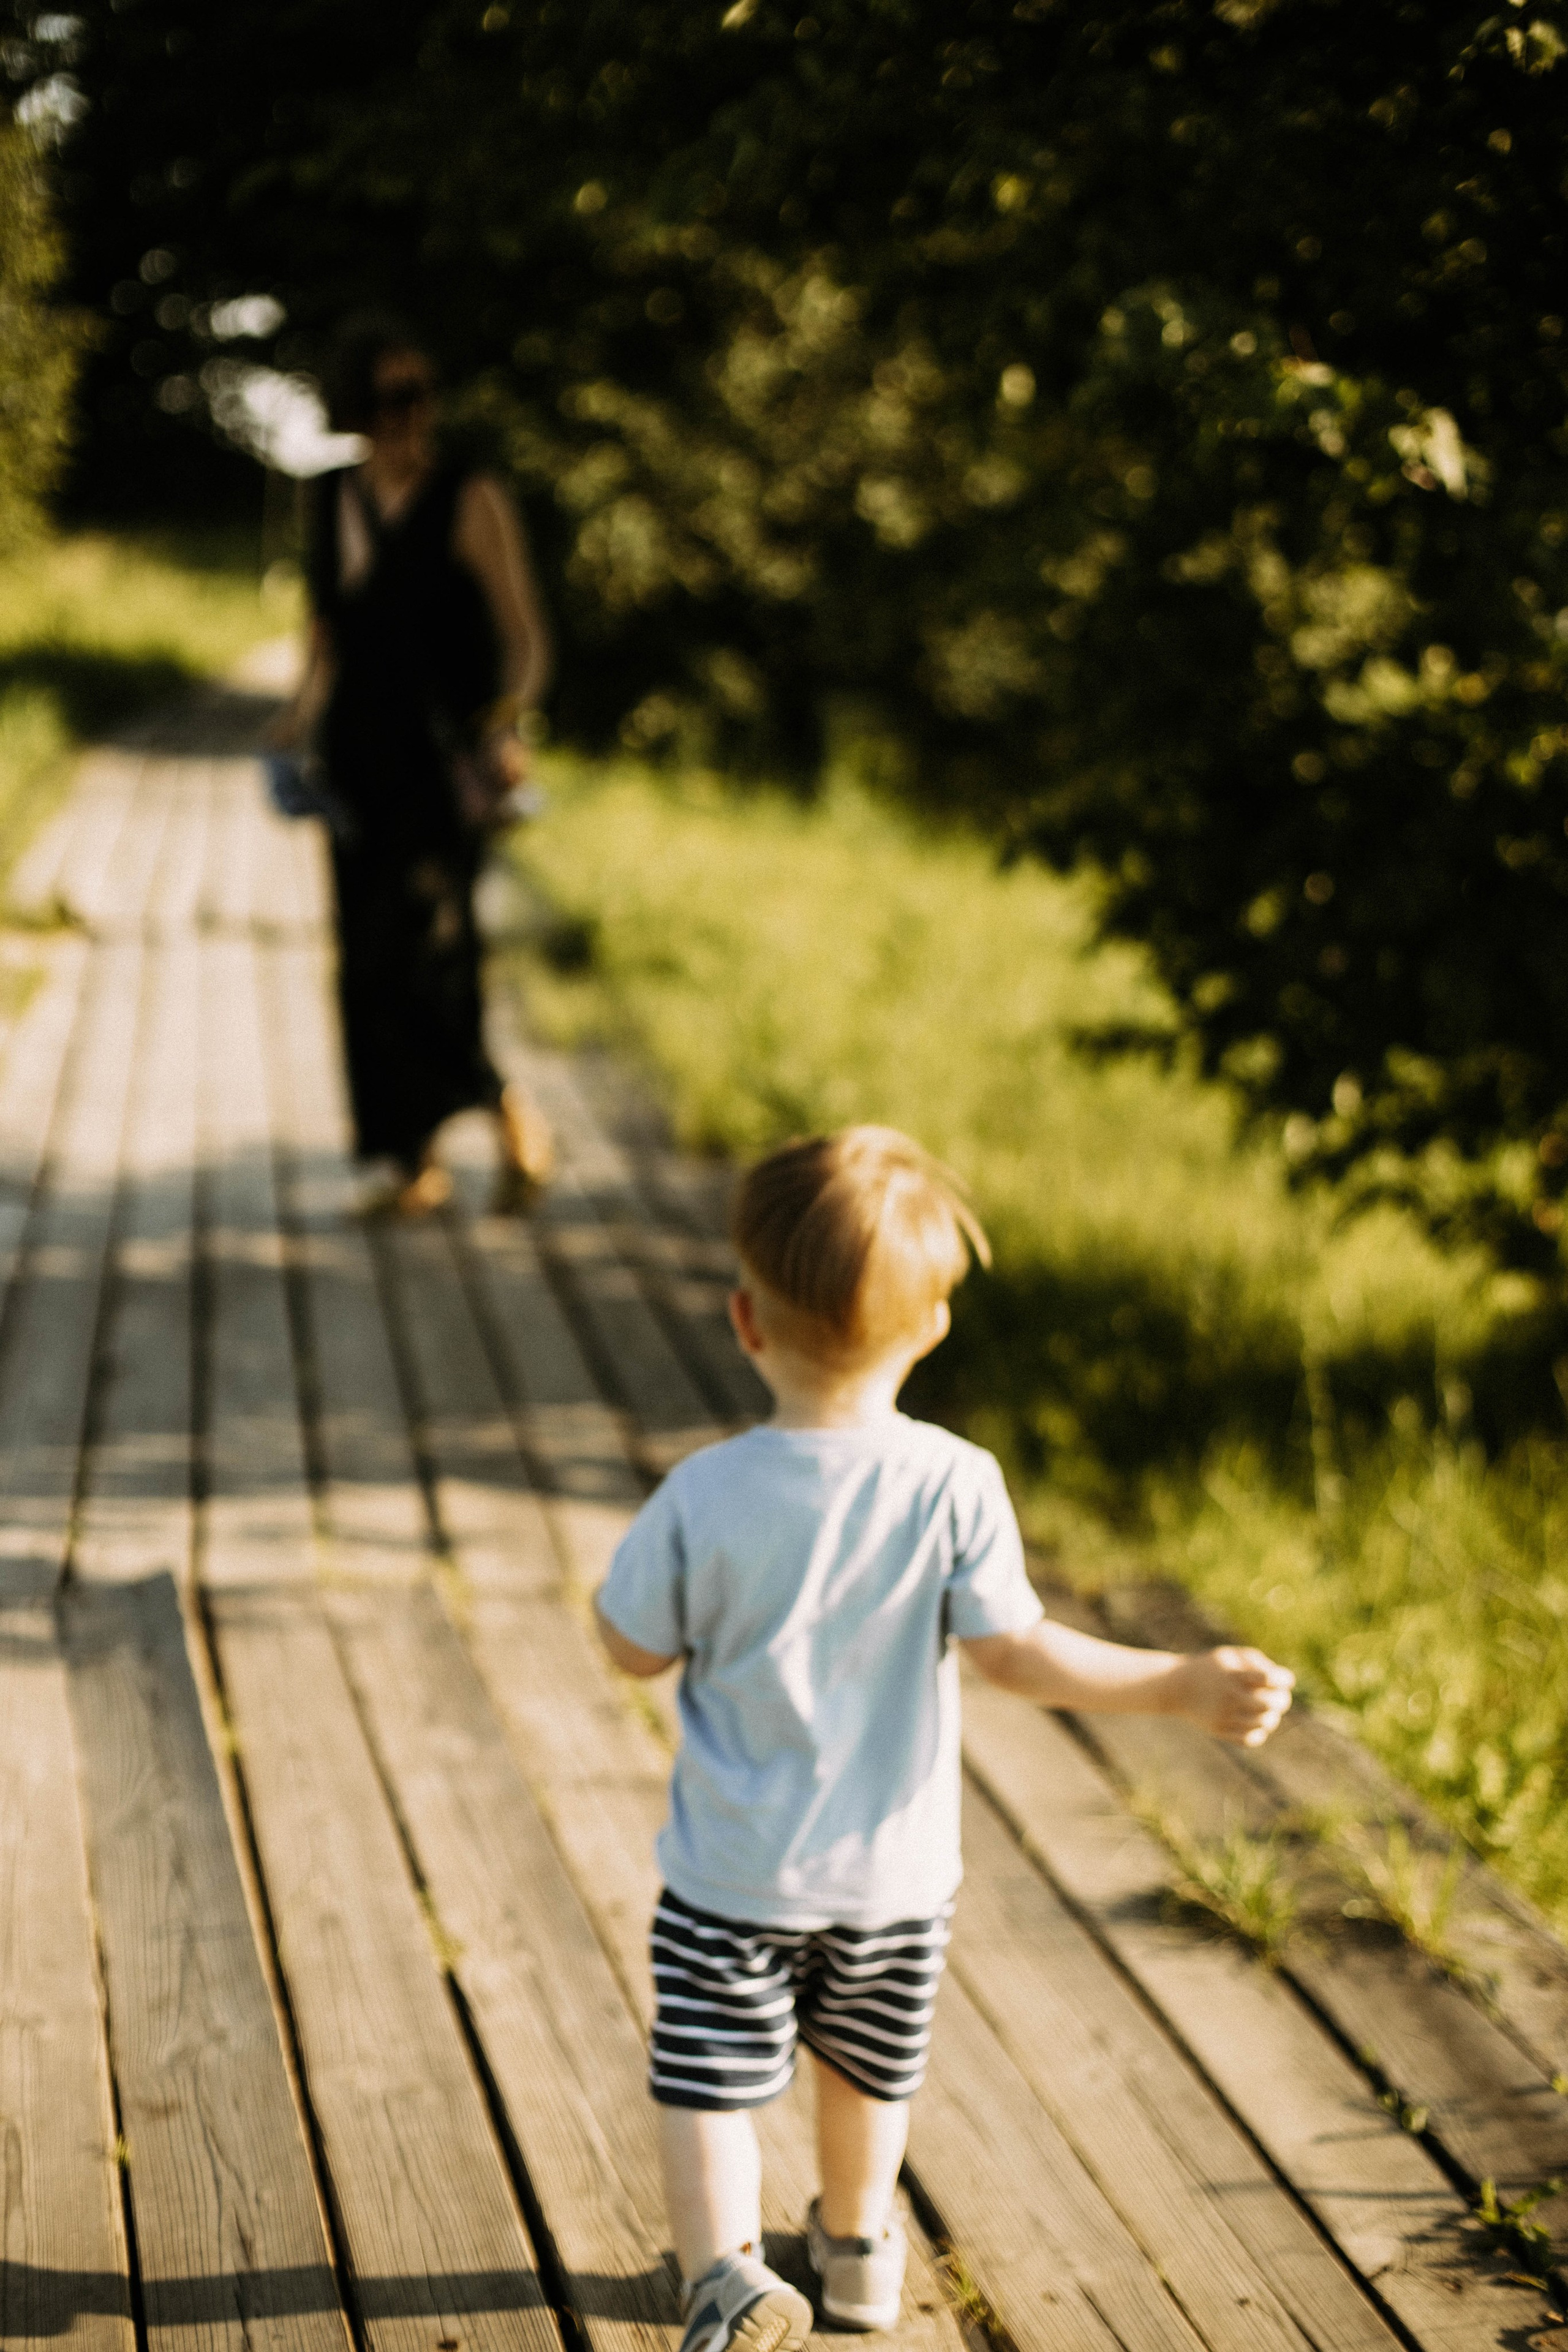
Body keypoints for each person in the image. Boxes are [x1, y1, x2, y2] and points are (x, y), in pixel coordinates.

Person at [594, 1126, 1294, 2352]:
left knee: (709, 2082)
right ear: (929, 1331)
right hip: (894, 1883)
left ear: (743, 1323)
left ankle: (727, 2275)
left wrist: (654, 1627)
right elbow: (1014, 1652)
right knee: (867, 2071)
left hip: (733, 1878)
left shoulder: (704, 1494)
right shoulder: (954, 1482)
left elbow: (630, 1648)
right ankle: (859, 2254)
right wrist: (1175, 1682)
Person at [273, 311, 555, 1215]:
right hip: (357, 764)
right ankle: (414, 1165)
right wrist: (293, 729)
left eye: (421, 395)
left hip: (443, 768)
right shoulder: (329, 498)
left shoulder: (471, 497)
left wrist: (508, 724)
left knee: (435, 955)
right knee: (364, 965)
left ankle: (513, 1120)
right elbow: (326, 641)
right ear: (357, 406)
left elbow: (525, 638)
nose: (412, 414)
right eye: (393, 398)